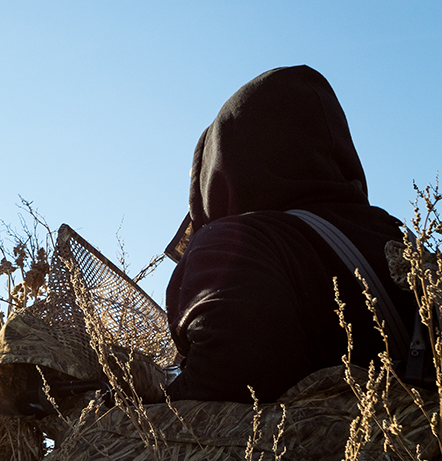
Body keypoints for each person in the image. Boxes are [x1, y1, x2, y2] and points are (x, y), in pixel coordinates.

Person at [162, 65, 418, 402]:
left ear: (218, 168)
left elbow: (231, 379)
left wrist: (157, 395)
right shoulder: (397, 235)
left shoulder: (235, 241)